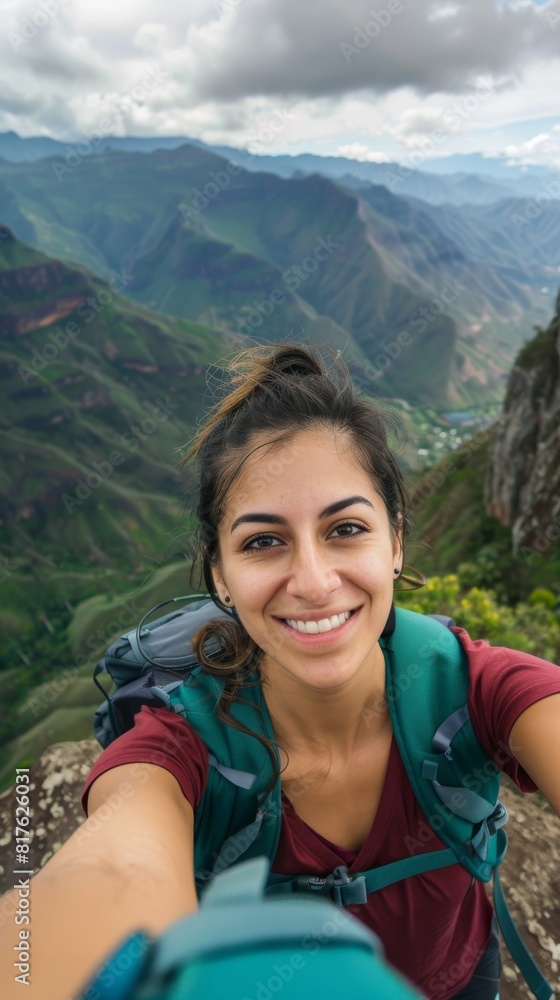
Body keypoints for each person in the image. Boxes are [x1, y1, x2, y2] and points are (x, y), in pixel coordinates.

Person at [1, 342, 559, 1000]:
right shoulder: (180, 749)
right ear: (221, 576)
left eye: (346, 528)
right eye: (264, 541)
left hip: (463, 978)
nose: (314, 581)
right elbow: (114, 874)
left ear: (397, 542)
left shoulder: (480, 690)